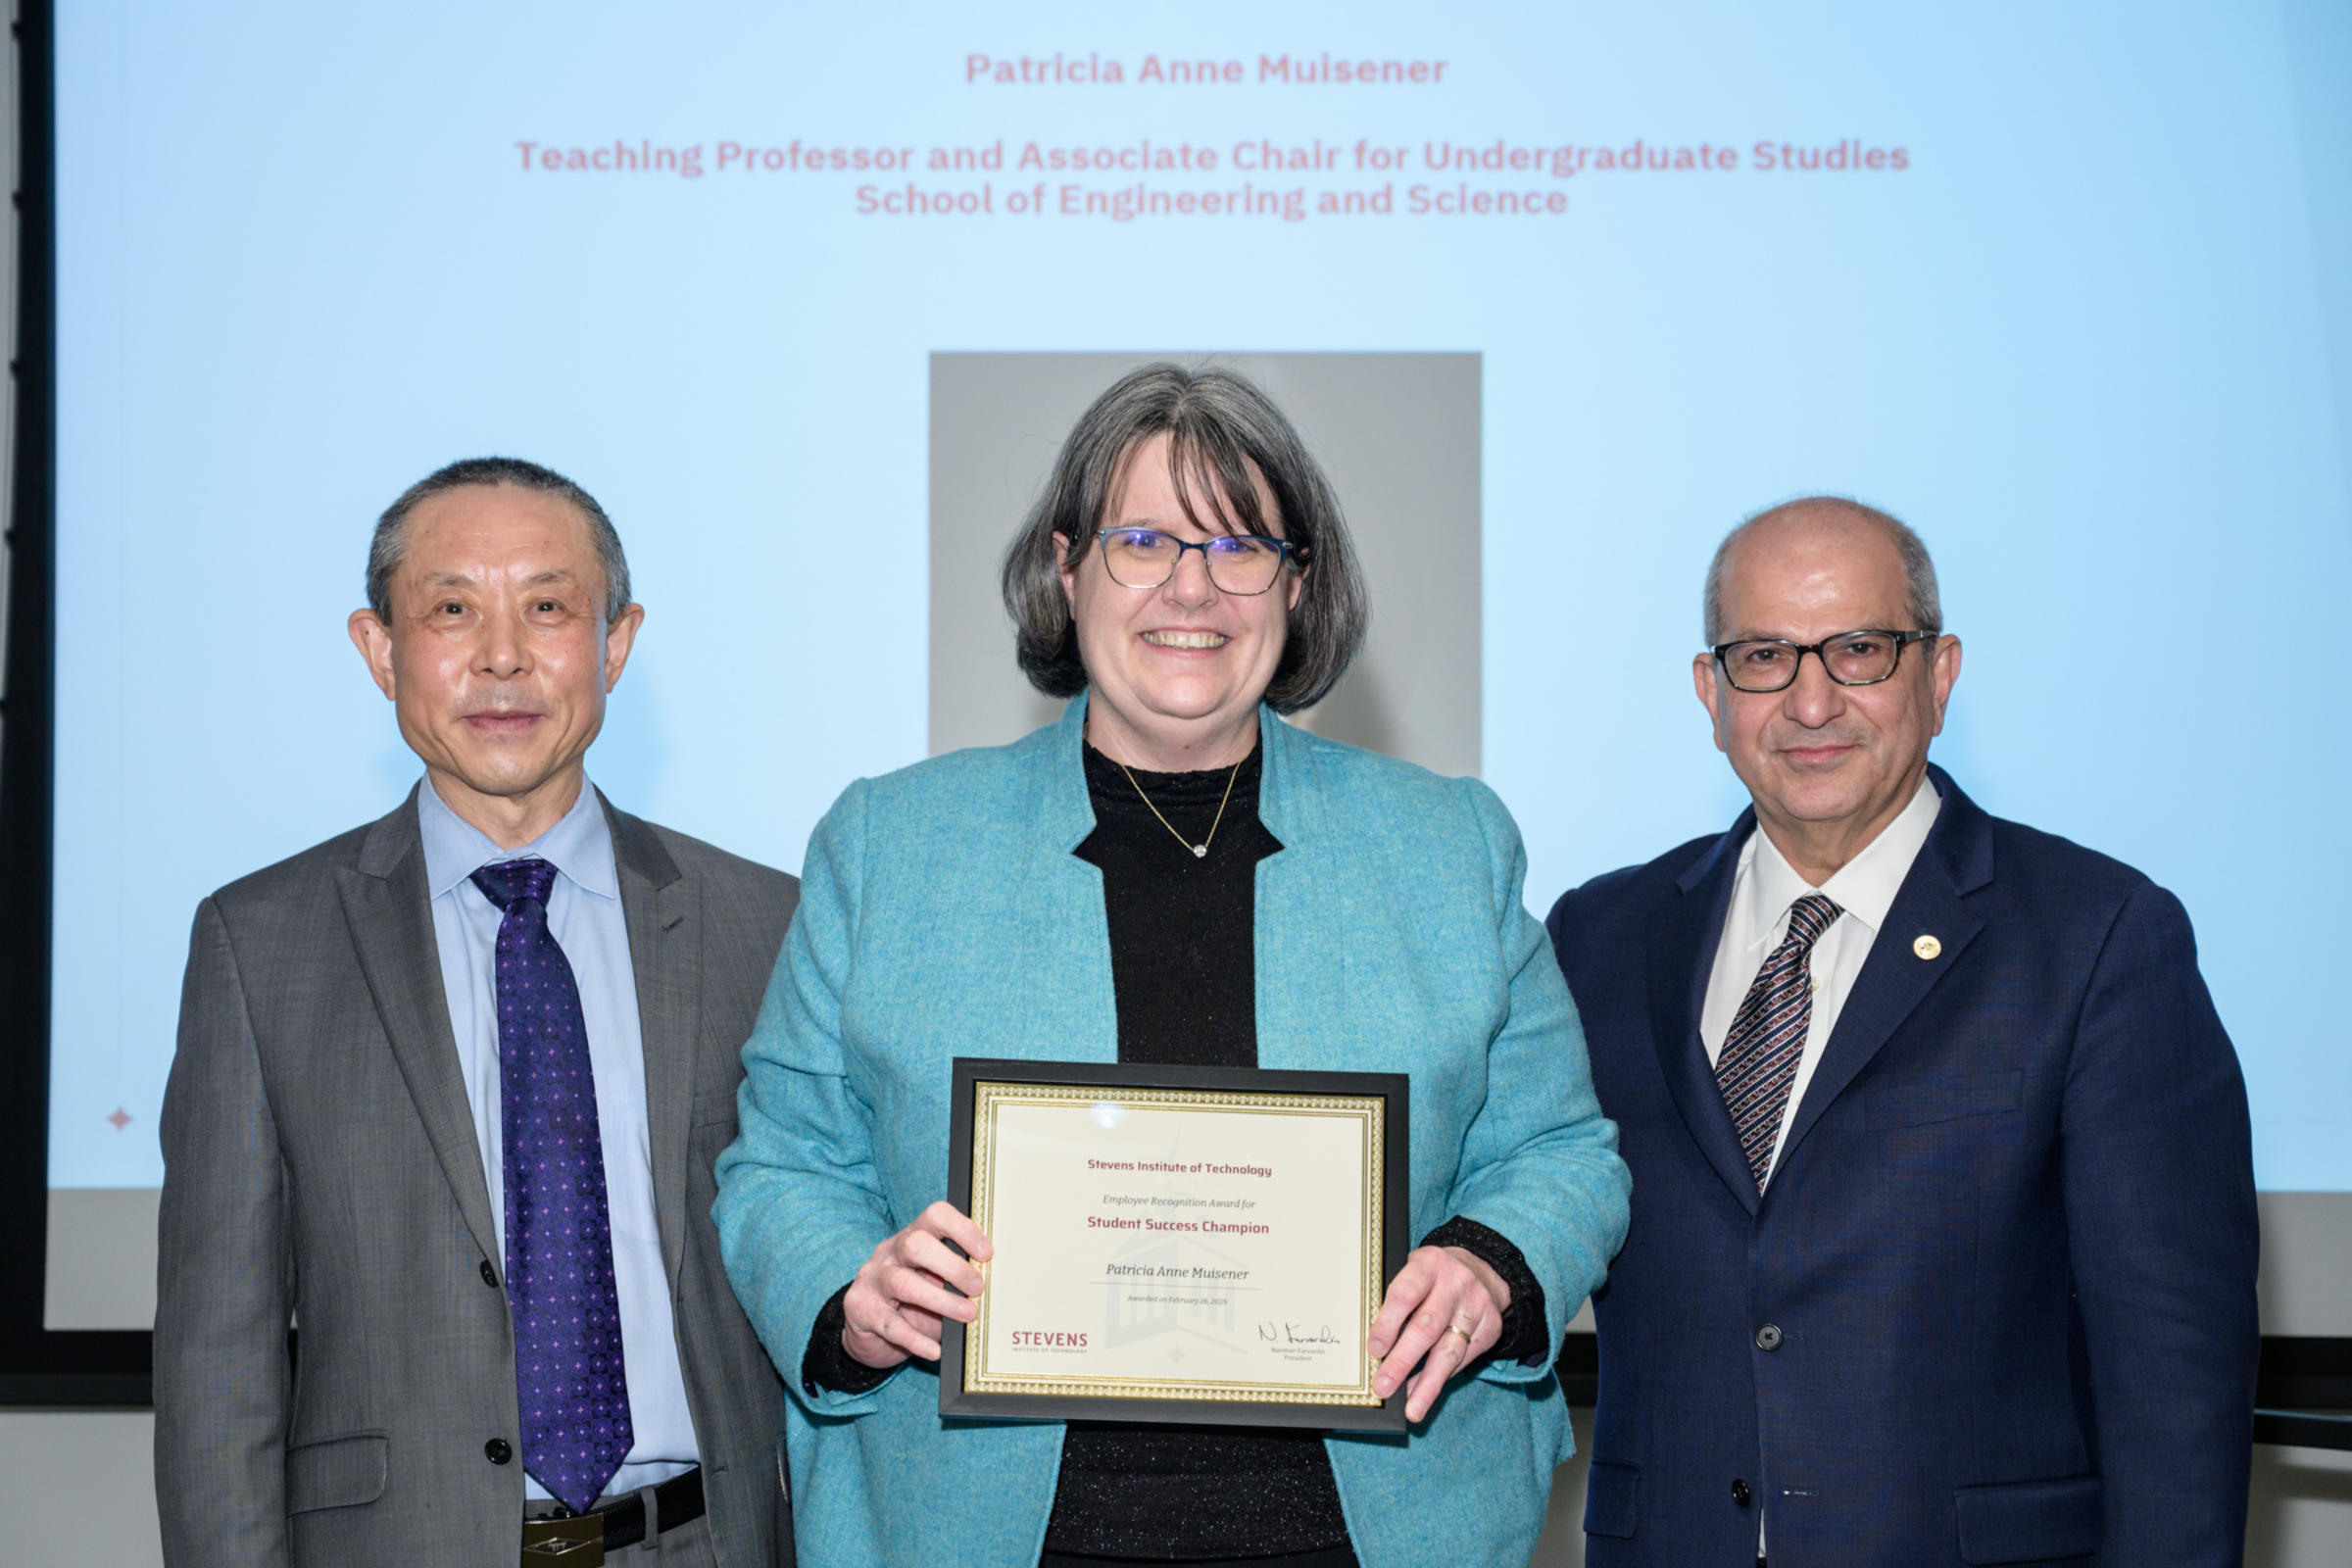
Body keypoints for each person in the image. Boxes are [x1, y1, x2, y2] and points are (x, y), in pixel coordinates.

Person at [714, 363, 1630, 1568]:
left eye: (1241, 544)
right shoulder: (893, 842)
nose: (1191, 588)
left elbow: (1563, 1152)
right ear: (1067, 566)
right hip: (979, 1526)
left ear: (1298, 586)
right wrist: (854, 1295)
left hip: (1377, 1530)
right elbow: (782, 1161)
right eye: (1142, 539)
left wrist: (1492, 1267)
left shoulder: (1444, 841)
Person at [1547, 497, 2259, 1566]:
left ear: (1940, 671)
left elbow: (2175, 1372)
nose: (1812, 699)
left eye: (1859, 649)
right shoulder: (1601, 936)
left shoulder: (2098, 937)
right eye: (1764, 656)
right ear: (1711, 689)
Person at [154, 459, 801, 1568]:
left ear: (616, 642)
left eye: (548, 607)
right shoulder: (258, 945)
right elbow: (220, 1358)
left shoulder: (764, 921)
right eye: (452, 609)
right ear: (379, 649)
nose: (502, 655)